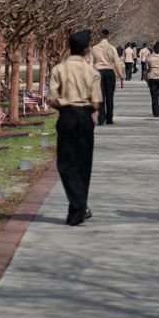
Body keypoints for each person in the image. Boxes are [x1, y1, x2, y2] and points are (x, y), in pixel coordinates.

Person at [47, 29, 102, 227]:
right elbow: (96, 103)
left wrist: (62, 103)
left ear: (69, 48)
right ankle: (78, 207)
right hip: (85, 117)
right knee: (83, 163)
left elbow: (51, 98)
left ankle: (78, 207)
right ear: (86, 50)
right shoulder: (92, 72)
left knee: (65, 163)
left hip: (67, 115)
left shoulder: (58, 69)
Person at [90, 29, 124, 125]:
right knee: (110, 96)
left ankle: (101, 118)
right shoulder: (112, 48)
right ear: (108, 36)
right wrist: (121, 76)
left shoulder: (94, 48)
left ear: (100, 36)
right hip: (109, 72)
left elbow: (91, 63)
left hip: (98, 72)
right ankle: (109, 118)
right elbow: (117, 63)